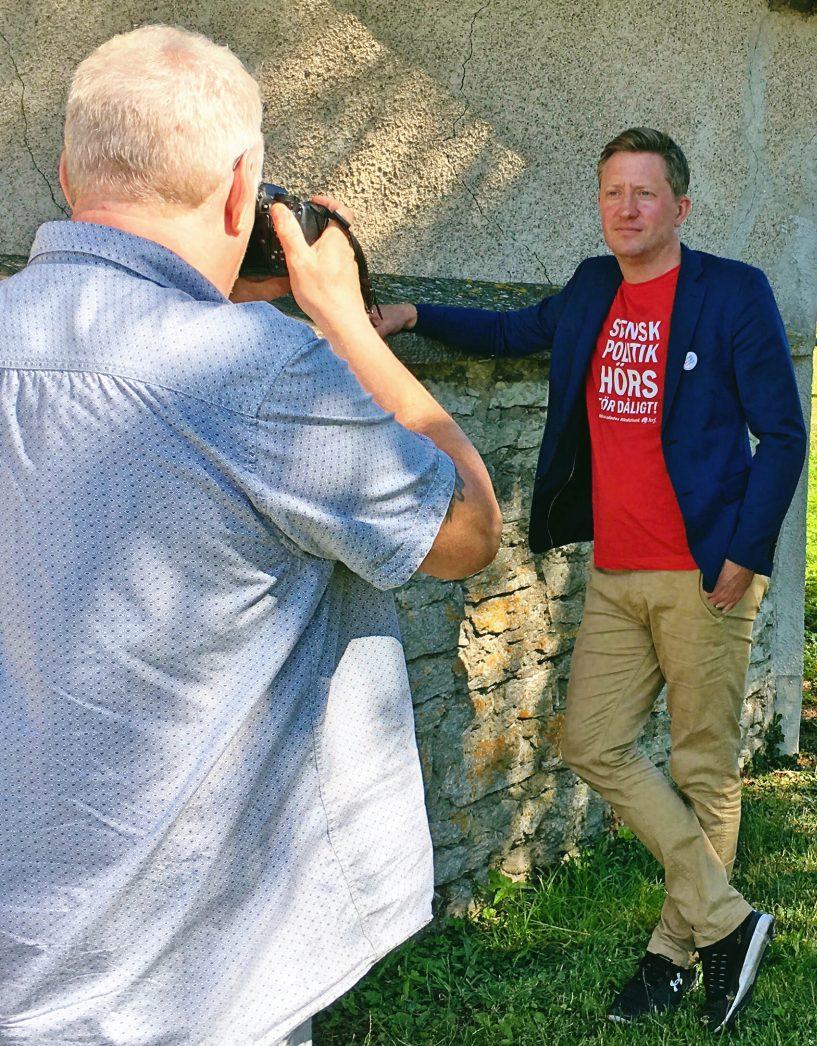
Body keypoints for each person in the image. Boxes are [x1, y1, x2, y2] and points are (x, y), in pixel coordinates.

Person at [0, 26, 502, 1046]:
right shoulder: (255, 372)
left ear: (65, 173)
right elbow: (466, 528)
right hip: (195, 983)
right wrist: (345, 318)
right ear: (243, 190)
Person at [372, 127, 807, 1031]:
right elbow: (509, 331)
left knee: (701, 764)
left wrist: (745, 554)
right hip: (616, 570)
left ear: (680, 207)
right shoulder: (589, 289)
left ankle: (673, 956)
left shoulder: (732, 293)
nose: (627, 209)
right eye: (613, 192)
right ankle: (727, 923)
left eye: (645, 194)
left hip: (703, 570)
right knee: (590, 740)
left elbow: (783, 435)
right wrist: (414, 318)